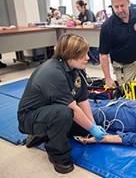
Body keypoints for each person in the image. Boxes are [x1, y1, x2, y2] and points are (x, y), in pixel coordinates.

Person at [17, 34, 106, 174]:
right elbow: (72, 108)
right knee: (63, 113)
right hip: (30, 117)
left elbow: (82, 99)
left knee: (84, 126)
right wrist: (92, 128)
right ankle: (57, 155)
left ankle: (46, 132)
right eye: (83, 54)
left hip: (49, 110)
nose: (88, 57)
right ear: (70, 55)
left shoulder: (77, 69)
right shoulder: (52, 72)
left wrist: (92, 125)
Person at [99, 0, 136, 88]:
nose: (120, 10)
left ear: (128, 2)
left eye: (122, 5)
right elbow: (103, 55)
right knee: (126, 94)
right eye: (116, 7)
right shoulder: (107, 26)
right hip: (124, 65)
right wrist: (108, 78)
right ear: (112, 5)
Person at [75, 0, 99, 65]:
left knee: (90, 44)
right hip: (85, 32)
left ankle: (96, 60)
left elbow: (90, 21)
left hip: (92, 33)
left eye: (78, 7)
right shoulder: (81, 14)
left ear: (82, 6)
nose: (77, 9)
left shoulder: (88, 13)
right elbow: (78, 20)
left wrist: (81, 22)